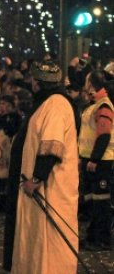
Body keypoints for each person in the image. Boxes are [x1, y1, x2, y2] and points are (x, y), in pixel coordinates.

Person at [10, 61, 79, 273]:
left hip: (51, 188)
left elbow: (52, 145)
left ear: (38, 83)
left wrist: (37, 179)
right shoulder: (48, 103)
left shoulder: (56, 104)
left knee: (51, 240)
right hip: (40, 185)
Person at [79, 70, 113, 251]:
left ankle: (102, 239)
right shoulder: (95, 104)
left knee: (101, 203)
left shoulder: (103, 106)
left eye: (86, 81)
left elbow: (104, 135)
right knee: (93, 202)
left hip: (100, 161)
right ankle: (93, 237)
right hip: (91, 159)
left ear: (91, 84)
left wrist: (94, 159)